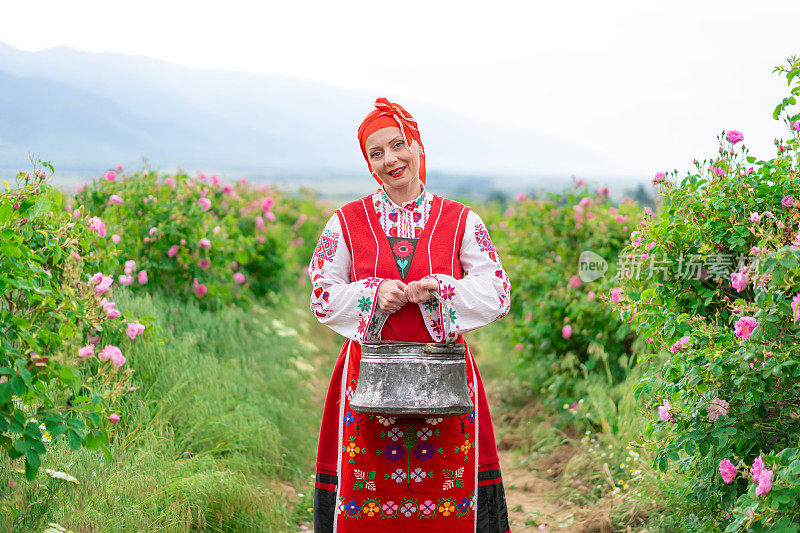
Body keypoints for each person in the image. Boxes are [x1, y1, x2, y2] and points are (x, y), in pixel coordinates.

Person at [309, 97, 511, 532]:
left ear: (417, 145)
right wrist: (373, 294)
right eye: (376, 153)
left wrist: (441, 289)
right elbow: (323, 296)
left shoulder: (462, 220)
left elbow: (497, 292)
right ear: (369, 164)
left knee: (448, 500)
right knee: (368, 503)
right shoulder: (344, 222)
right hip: (367, 379)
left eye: (397, 145)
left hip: (446, 377)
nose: (390, 160)